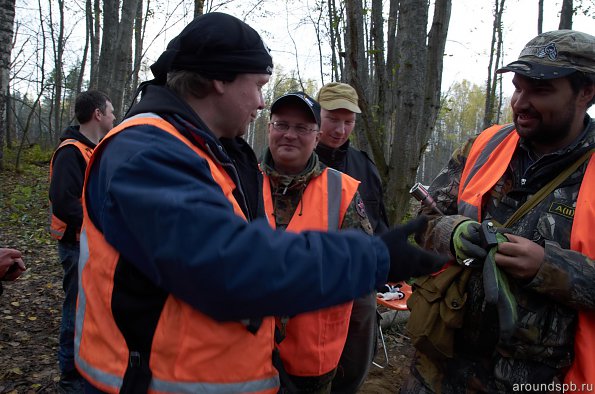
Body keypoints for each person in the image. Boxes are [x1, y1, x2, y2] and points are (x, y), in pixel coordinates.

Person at [75, 12, 447, 393]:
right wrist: (370, 258)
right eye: (258, 85)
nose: (259, 100)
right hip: (147, 381)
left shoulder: (203, 151)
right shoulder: (147, 152)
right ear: (219, 78)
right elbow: (225, 265)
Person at [402, 29, 595, 393]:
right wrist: (453, 233)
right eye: (518, 87)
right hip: (437, 368)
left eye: (540, 90)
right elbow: (423, 222)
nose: (520, 102)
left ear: (586, 92)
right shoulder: (485, 146)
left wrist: (548, 268)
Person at [261, 91, 374, 393]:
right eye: (282, 124)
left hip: (311, 360)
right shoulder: (239, 180)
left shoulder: (341, 189)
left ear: (316, 136)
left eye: (302, 128)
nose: (290, 135)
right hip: (244, 353)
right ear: (269, 128)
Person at [315, 82, 389, 392]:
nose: (340, 129)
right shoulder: (295, 159)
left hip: (357, 283)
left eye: (349, 121)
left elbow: (380, 224)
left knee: (355, 359)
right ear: (317, 114)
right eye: (333, 118)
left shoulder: (363, 166)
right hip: (309, 278)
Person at [49, 90, 115, 393]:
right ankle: (70, 377)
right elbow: (64, 203)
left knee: (88, 311)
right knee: (75, 311)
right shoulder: (71, 151)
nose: (115, 117)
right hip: (76, 245)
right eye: (111, 111)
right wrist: (100, 222)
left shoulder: (95, 150)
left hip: (90, 243)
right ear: (98, 114)